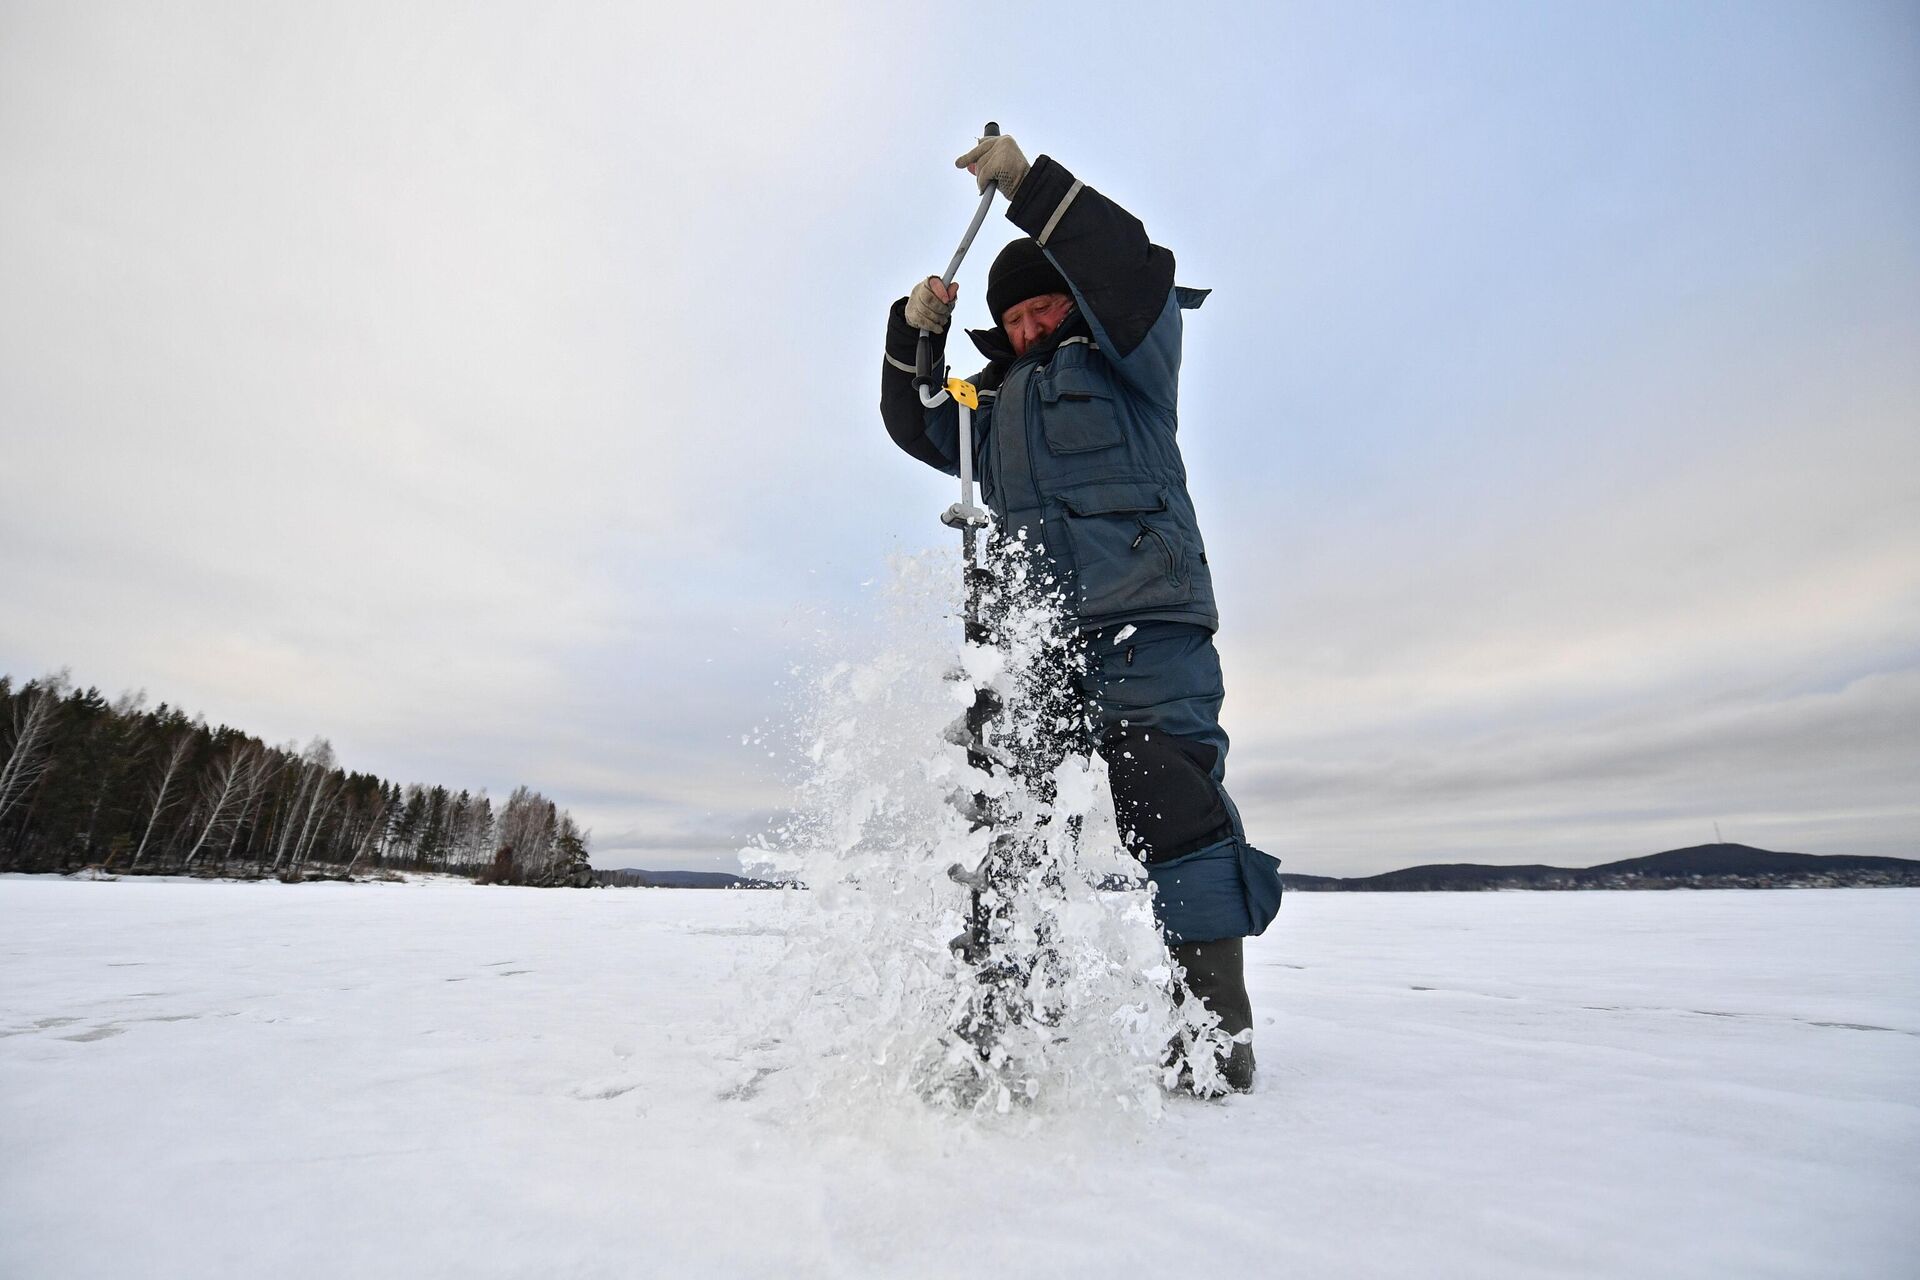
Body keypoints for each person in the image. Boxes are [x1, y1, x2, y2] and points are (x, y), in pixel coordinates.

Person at [879, 134, 1283, 1092]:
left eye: (1042, 304)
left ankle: (1213, 1041)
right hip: (1032, 643)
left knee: (1172, 807)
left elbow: (1130, 271)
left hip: (1149, 619)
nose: (1025, 327)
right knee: (1007, 823)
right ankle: (1002, 1031)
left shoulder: (1133, 358)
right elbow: (915, 418)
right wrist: (914, 332)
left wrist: (1028, 188)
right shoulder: (993, 401)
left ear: (1071, 296)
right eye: (1010, 315)